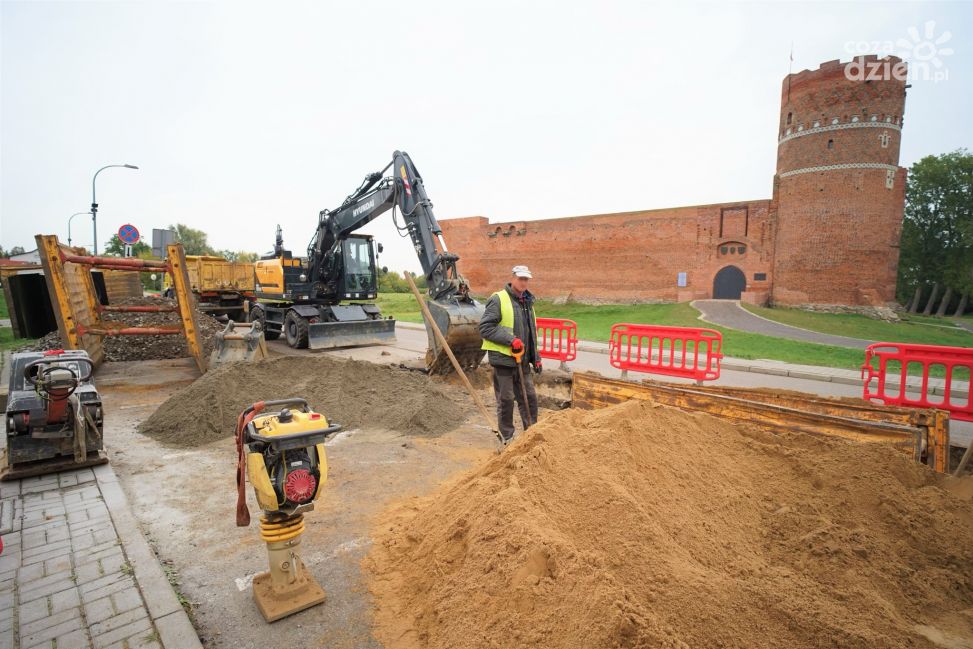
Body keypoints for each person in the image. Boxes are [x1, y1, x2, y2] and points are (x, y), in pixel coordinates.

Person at [478, 265, 541, 442]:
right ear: (512, 278)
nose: (523, 282)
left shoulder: (528, 302)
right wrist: (510, 339)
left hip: (523, 361)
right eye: (520, 278)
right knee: (506, 400)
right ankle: (507, 438)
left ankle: (532, 435)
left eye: (526, 279)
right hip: (503, 361)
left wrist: (536, 358)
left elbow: (530, 333)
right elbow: (485, 327)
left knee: (529, 399)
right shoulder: (498, 299)